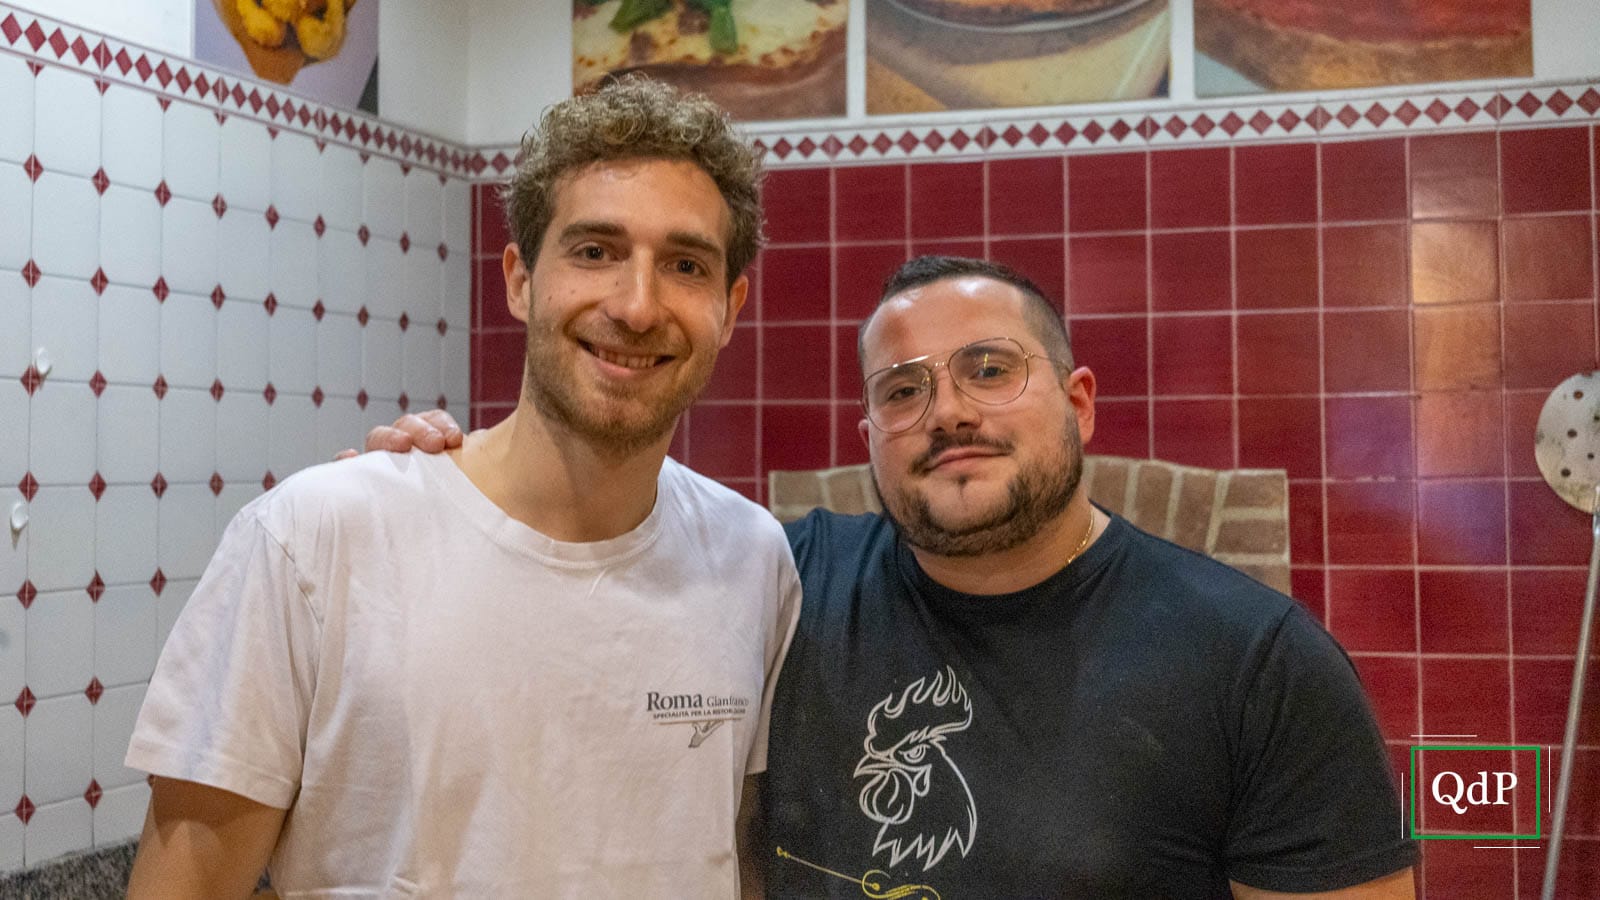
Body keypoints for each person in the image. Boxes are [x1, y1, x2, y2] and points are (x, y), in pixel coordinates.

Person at [375, 256, 1417, 897]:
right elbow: (574, 589)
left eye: (990, 370)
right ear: (869, 433)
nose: (949, 411)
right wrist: (444, 496)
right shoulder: (778, 582)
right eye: (903, 390)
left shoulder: (1256, 665)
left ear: (1079, 403)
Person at [123, 77, 800, 899]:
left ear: (730, 308)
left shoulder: (752, 560)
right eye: (595, 251)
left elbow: (737, 857)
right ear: (519, 279)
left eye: (685, 265)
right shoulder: (316, 538)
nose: (636, 305)